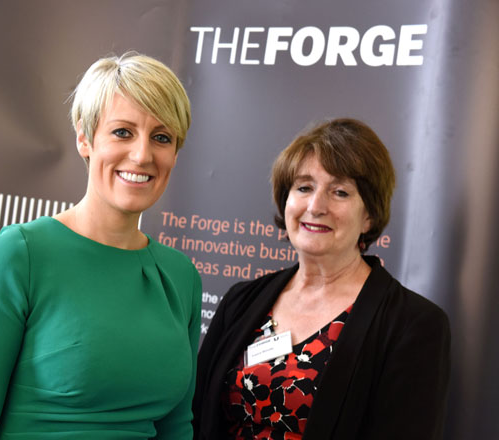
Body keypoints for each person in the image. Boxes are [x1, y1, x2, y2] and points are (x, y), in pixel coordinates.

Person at [0, 52, 201, 439]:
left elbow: (177, 428)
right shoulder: (21, 254)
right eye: (123, 132)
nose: (142, 155)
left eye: (161, 138)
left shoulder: (181, 276)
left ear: (175, 153)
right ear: (84, 137)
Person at [193, 118, 451, 439]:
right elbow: (197, 414)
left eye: (340, 192)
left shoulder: (414, 325)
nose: (316, 206)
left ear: (369, 216)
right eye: (304, 188)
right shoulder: (241, 300)